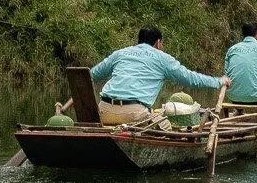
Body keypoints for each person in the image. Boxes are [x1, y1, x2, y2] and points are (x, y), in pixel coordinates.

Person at [88, 26, 229, 125]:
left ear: (139, 40)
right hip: (134, 114)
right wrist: (218, 81)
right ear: (158, 43)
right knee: (167, 126)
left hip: (104, 111)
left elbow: (91, 75)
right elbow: (191, 78)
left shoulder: (120, 53)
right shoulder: (163, 59)